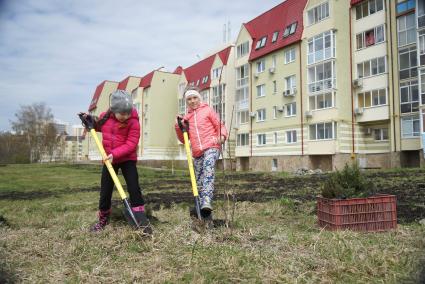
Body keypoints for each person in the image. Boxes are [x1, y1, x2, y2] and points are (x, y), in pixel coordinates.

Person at [80, 90, 146, 232]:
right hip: (109, 160)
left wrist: (114, 154)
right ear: (114, 110)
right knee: (105, 190)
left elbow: (131, 143)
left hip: (127, 159)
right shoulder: (105, 117)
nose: (125, 116)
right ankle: (103, 220)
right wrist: (88, 120)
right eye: (122, 113)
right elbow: (98, 126)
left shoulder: (133, 121)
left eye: (127, 113)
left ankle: (140, 218)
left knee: (134, 187)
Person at [175, 86, 227, 218]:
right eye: (189, 99)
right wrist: (178, 127)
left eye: (195, 98)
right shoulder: (186, 118)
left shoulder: (207, 110)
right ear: (186, 102)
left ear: (199, 98)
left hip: (212, 146)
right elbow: (183, 140)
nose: (192, 101)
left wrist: (222, 136)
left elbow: (219, 125)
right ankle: (201, 209)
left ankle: (206, 201)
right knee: (198, 179)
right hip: (197, 152)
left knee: (208, 168)